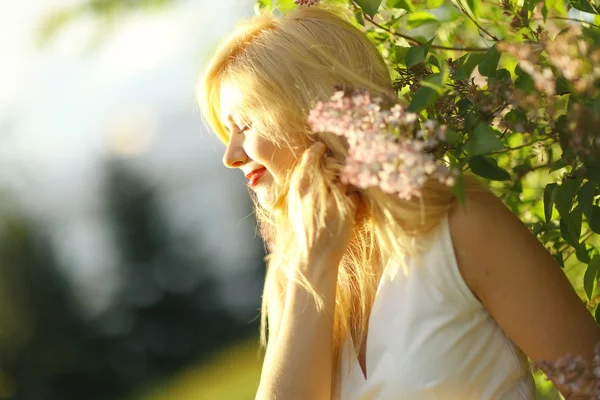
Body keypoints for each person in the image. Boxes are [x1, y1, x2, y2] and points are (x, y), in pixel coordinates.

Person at [197, 5, 600, 400]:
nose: (230, 155)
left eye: (245, 125)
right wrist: (313, 263)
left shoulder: (461, 225)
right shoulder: (293, 274)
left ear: (310, 108)